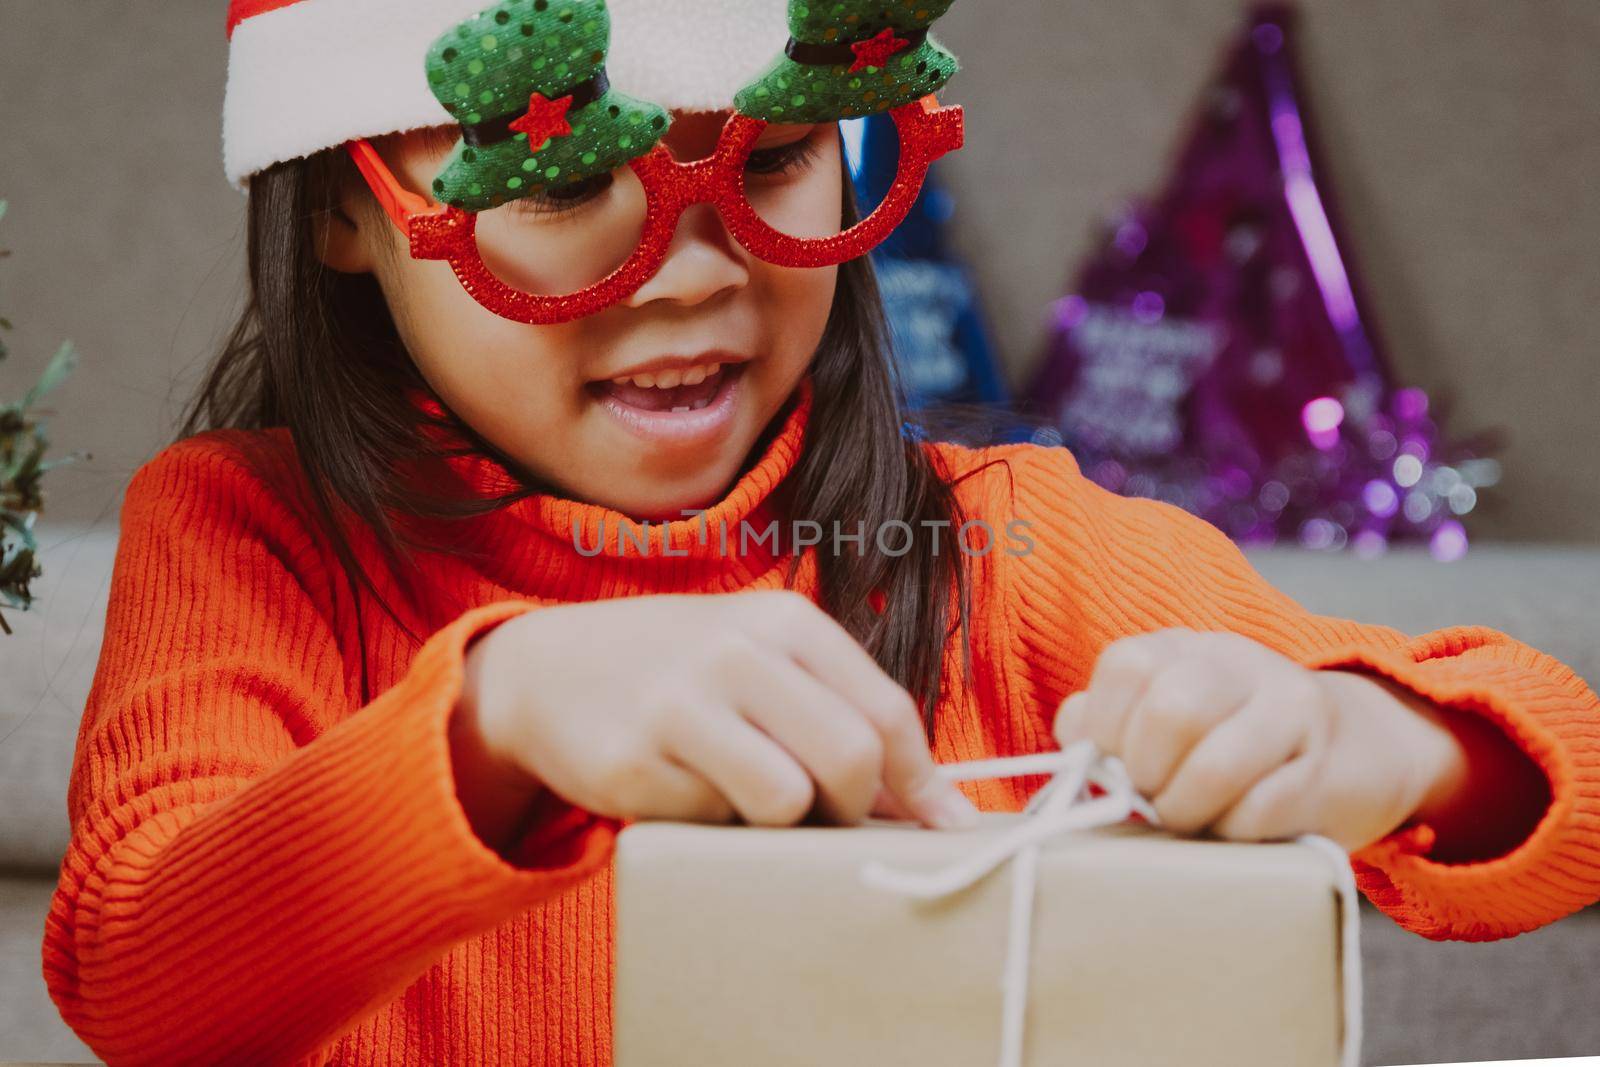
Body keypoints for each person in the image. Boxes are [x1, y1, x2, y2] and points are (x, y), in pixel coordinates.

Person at [42, 0, 1600, 1063]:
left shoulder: (998, 544)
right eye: (571, 178)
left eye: (772, 162)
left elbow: (1569, 781)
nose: (694, 274)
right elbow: (137, 979)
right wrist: (495, 722)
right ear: (340, 208)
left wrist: (1386, 740)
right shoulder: (252, 536)